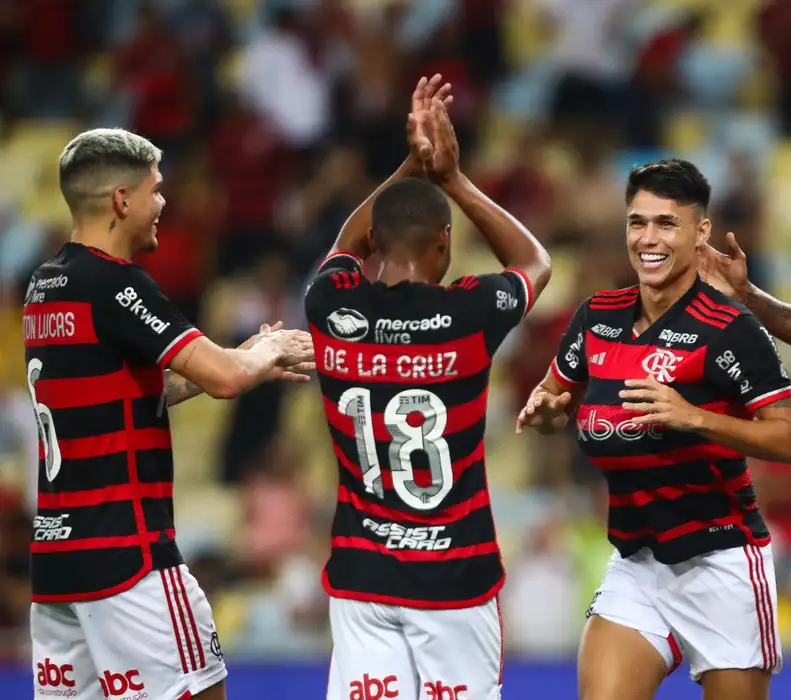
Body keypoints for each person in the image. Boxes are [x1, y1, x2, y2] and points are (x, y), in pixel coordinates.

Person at [25, 128, 314, 700]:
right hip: (128, 556)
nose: (162, 203)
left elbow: (122, 394)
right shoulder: (115, 283)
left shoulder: (46, 285)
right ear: (121, 200)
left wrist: (242, 358)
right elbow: (226, 379)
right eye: (154, 190)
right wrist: (267, 351)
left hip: (59, 563)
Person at [516, 158, 791, 700]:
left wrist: (694, 416)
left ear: (700, 232)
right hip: (637, 562)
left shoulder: (730, 329)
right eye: (637, 222)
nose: (648, 239)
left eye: (666, 224)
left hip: (721, 561)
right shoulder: (597, 317)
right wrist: (546, 414)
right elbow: (556, 399)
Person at [303, 77, 552, 700]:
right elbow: (534, 263)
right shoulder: (468, 314)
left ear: (375, 244)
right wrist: (452, 179)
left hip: (362, 575)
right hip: (455, 577)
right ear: (444, 242)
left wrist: (410, 166)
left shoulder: (330, 305)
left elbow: (346, 243)